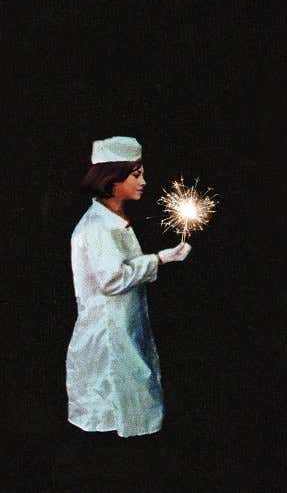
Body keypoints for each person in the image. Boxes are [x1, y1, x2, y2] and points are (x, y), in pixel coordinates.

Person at [66, 136, 191, 437]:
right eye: (136, 174)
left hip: (123, 325)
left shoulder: (114, 218)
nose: (143, 181)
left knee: (133, 391)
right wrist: (159, 259)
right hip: (108, 332)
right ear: (111, 178)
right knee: (116, 402)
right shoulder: (97, 227)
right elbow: (112, 280)